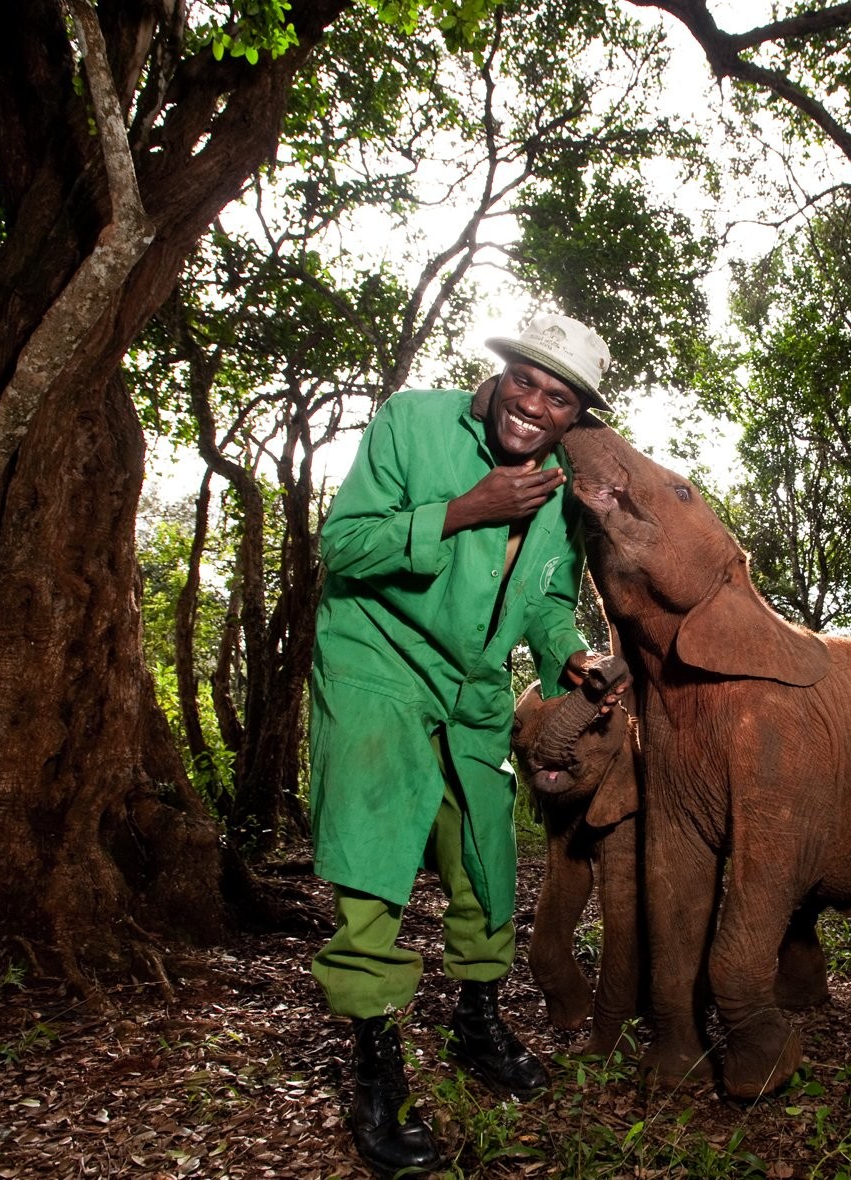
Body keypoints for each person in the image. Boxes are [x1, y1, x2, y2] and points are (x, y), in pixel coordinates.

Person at [307, 312, 619, 1175]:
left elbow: (548, 601)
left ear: (573, 416)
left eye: (559, 400)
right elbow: (342, 548)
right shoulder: (413, 422)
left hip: (474, 690)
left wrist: (574, 654)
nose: (534, 407)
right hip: (378, 664)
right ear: (503, 372)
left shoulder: (559, 489)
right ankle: (377, 1068)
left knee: (484, 862)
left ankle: (475, 1023)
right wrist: (461, 511)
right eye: (526, 381)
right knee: (371, 866)